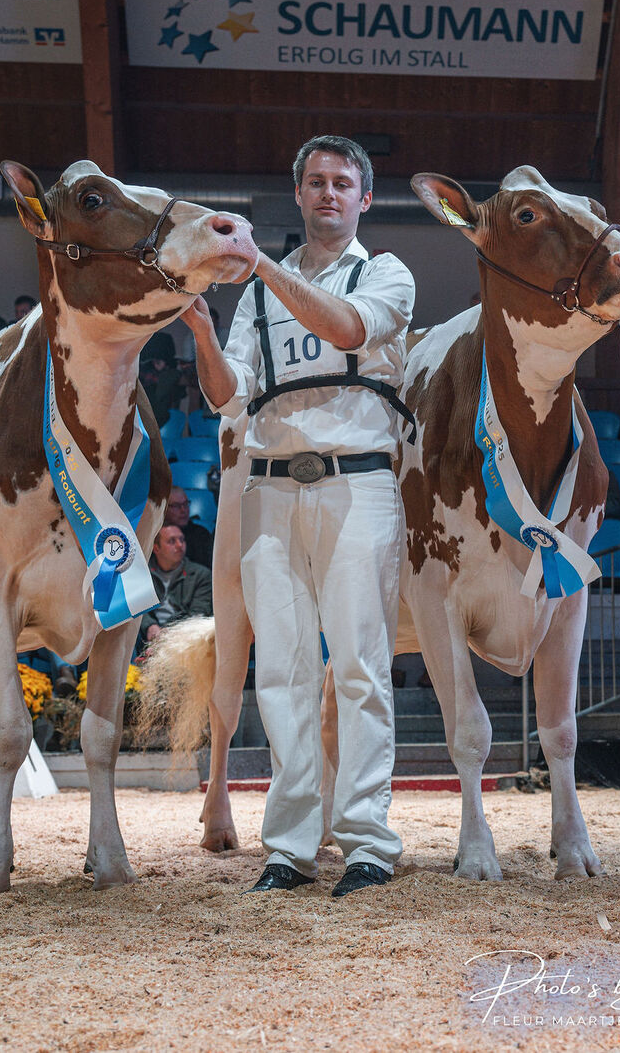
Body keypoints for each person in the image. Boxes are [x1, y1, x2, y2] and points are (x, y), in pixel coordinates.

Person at [190, 134, 414, 899]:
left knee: (358, 665)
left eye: (341, 182)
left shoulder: (385, 273)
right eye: (315, 181)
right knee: (282, 673)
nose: (328, 193)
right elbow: (228, 393)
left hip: (359, 485)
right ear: (298, 194)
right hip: (269, 484)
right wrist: (196, 323)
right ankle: (288, 845)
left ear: (364, 198)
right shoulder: (252, 295)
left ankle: (365, 840)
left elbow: (350, 330)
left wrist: (260, 265)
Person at [137, 525, 212, 656]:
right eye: (172, 541)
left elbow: (198, 614)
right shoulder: (143, 574)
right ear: (156, 548)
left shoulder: (201, 575)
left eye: (182, 540)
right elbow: (137, 606)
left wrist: (167, 633)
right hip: (147, 635)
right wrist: (150, 626)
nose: (179, 545)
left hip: (182, 635)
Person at [164, 487, 214, 569]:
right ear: (164, 509)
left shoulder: (201, 535)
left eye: (186, 504)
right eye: (176, 506)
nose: (183, 510)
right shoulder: (155, 535)